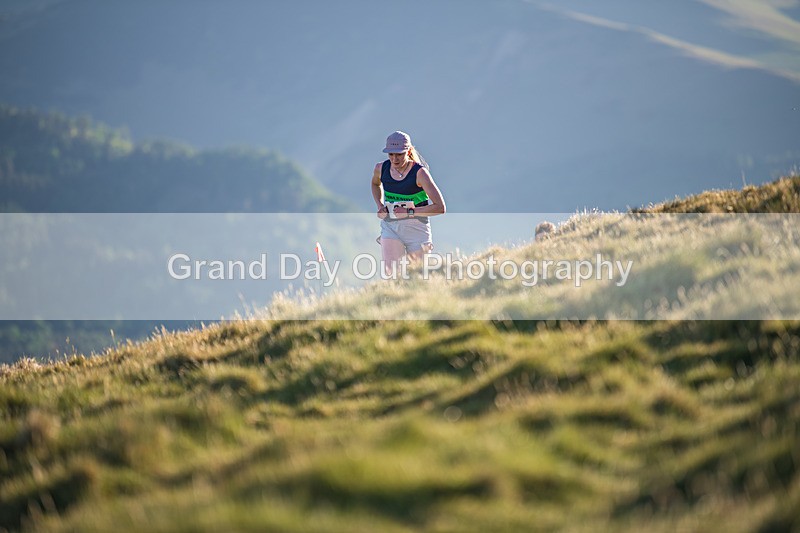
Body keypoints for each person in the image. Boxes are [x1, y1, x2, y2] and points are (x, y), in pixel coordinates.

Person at [371, 131, 446, 273]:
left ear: (409, 151)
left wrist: (409, 212)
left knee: (417, 276)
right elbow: (375, 184)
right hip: (391, 226)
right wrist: (380, 205)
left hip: (417, 229)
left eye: (399, 154)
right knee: (392, 274)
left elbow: (440, 207)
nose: (394, 159)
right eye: (391, 154)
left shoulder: (420, 173)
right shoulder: (381, 168)